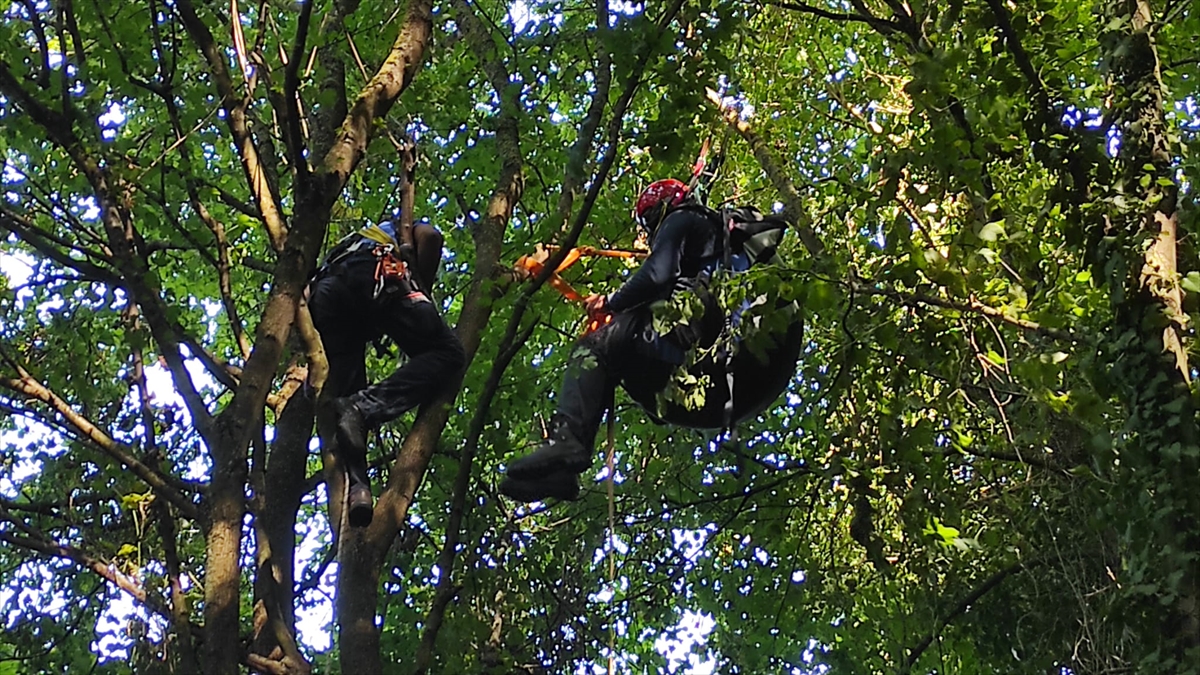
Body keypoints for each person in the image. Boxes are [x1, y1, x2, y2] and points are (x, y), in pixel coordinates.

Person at [499, 179, 805, 503]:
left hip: (720, 358)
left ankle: (564, 444)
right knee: (621, 347)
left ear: (660, 211)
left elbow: (658, 273)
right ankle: (562, 471)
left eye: (648, 225)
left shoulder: (684, 218)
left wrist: (611, 302)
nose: (649, 236)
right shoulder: (726, 250)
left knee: (594, 348)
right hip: (743, 382)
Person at [307, 220, 466, 527]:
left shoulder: (344, 248)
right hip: (375, 275)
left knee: (347, 406)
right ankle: (363, 408)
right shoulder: (396, 227)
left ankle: (359, 489)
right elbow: (431, 237)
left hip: (327, 297)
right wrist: (422, 286)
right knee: (448, 353)